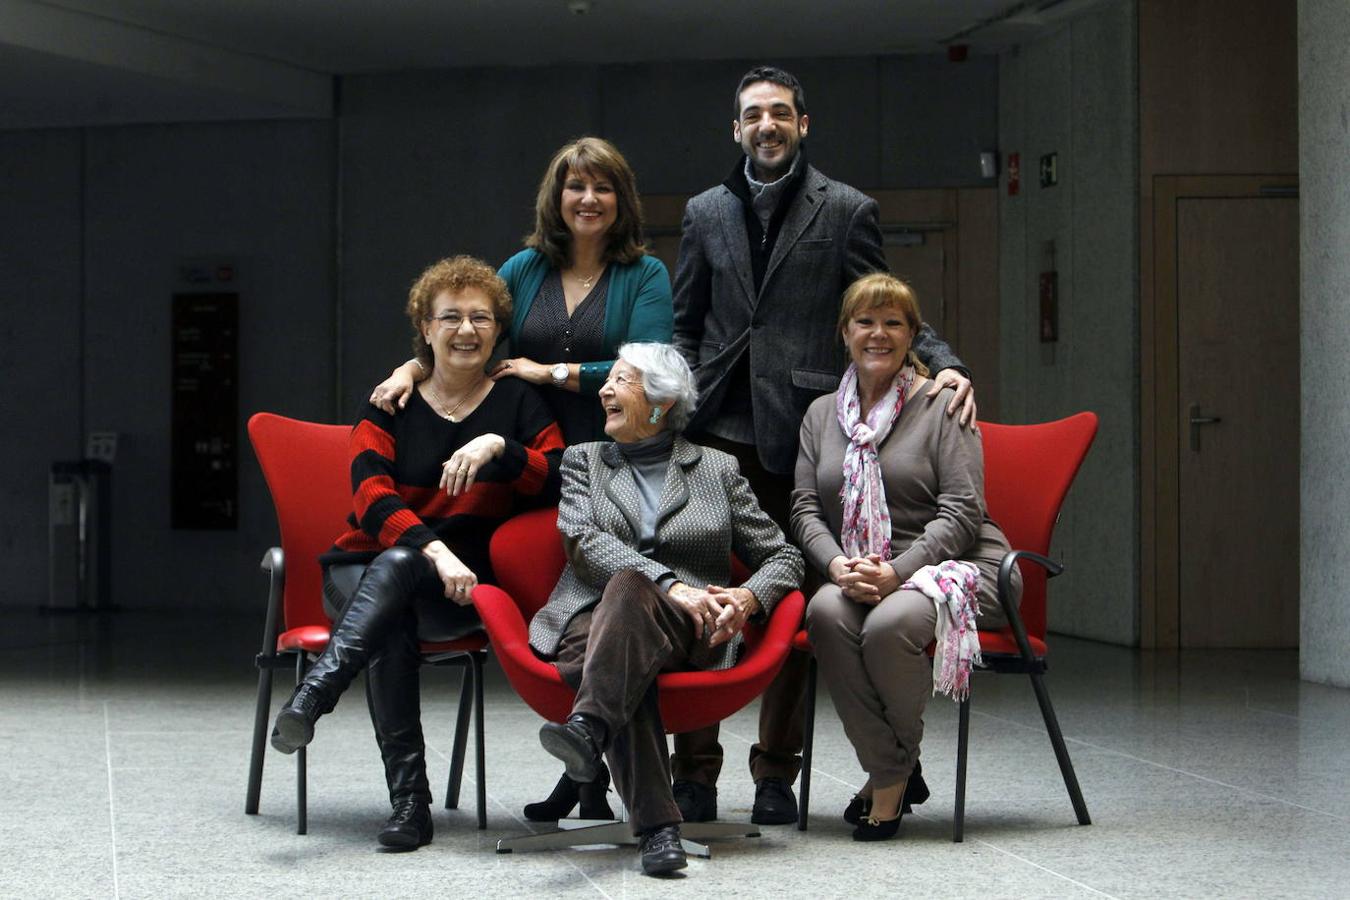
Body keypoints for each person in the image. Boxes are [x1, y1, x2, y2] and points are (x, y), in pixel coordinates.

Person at [670, 64, 977, 826]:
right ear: (735, 129)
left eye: (780, 113)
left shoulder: (844, 209)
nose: (766, 125)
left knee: (793, 606)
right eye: (752, 115)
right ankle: (695, 773)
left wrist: (948, 364)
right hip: (709, 434)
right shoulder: (705, 211)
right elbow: (685, 322)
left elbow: (884, 303)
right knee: (699, 597)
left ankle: (776, 772)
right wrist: (673, 404)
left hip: (800, 435)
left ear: (803, 125)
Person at [268, 256, 564, 850]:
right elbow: (371, 499)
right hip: (361, 571)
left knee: (399, 589)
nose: (466, 330)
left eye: (481, 317)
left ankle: (322, 697)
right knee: (395, 586)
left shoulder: (518, 404)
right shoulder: (389, 401)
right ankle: (410, 804)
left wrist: (500, 447)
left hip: (457, 588)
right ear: (425, 329)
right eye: (450, 317)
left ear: (497, 330)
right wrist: (434, 548)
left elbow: (558, 476)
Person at [527, 342, 803, 875]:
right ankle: (658, 831)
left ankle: (588, 729)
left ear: (660, 403)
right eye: (608, 381)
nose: (604, 389)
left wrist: (748, 597)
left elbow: (784, 556)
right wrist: (668, 582)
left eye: (622, 381)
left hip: (687, 626)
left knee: (627, 608)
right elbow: (583, 541)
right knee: (627, 604)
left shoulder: (717, 470)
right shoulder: (584, 461)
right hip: (590, 617)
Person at [793, 273, 1021, 840]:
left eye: (893, 323)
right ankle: (896, 765)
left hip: (958, 567)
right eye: (865, 322)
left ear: (913, 334)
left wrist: (897, 572)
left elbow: (964, 512)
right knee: (823, 612)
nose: (879, 334)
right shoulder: (822, 415)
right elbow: (803, 510)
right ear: (845, 332)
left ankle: (887, 782)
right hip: (859, 570)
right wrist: (837, 565)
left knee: (890, 625)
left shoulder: (944, 404)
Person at [369, 136, 673, 446]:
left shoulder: (646, 274)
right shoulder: (524, 268)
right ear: (556, 198)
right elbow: (468, 337)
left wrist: (548, 373)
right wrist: (410, 370)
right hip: (529, 449)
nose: (589, 199)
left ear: (621, 201)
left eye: (603, 189)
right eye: (577, 187)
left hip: (614, 449)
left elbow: (647, 370)